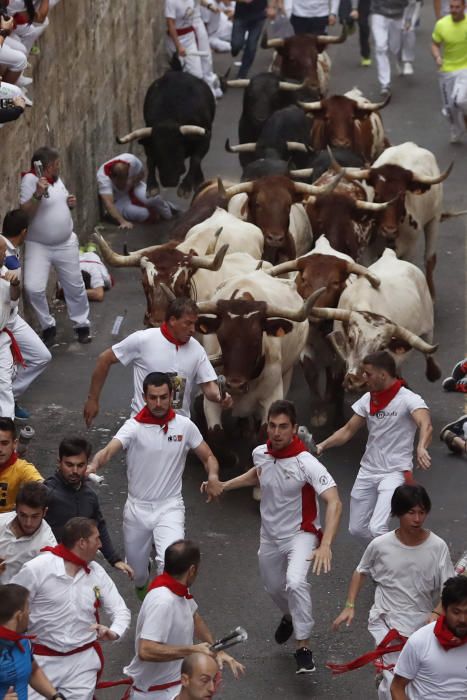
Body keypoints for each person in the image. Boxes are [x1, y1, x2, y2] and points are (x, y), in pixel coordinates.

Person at [210, 399, 342, 674]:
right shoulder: (261, 453)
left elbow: (335, 501)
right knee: (273, 587)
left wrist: (326, 544)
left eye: (283, 427)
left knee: (294, 583)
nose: (277, 432)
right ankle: (289, 616)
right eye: (272, 426)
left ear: (294, 429)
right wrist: (224, 485)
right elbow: (256, 475)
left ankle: (303, 647)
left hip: (301, 535)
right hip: (269, 536)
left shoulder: (306, 463)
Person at [88, 372, 222, 597]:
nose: (158, 403)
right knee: (138, 573)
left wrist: (214, 477)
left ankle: (163, 611)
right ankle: (143, 581)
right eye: (153, 397)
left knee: (172, 565)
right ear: (144, 397)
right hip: (137, 509)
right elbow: (109, 450)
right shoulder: (133, 427)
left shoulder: (184, 426)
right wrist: (93, 465)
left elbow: (208, 456)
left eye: (163, 397)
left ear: (172, 396)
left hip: (170, 507)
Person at [331, 484, 454, 699]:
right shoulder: (380, 545)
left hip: (422, 626)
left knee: (416, 681)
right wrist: (349, 605)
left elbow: (450, 590)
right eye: (411, 512)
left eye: (422, 512)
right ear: (398, 513)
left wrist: (436, 613)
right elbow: (361, 571)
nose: (417, 519)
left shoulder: (438, 547)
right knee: (394, 684)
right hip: (386, 623)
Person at [316, 350, 432, 542]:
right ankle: (395, 551)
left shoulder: (409, 399)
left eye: (368, 374)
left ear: (383, 375)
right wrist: (322, 445)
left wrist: (421, 447)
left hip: (394, 472)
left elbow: (425, 424)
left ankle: (391, 566)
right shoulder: (368, 399)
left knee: (378, 527)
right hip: (368, 471)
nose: (363, 378)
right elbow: (347, 431)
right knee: (357, 529)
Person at [11, 517, 131, 700]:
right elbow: (9, 606)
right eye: (97, 539)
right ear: (82, 543)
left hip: (83, 663)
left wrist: (114, 632)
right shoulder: (38, 568)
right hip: (41, 661)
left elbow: (120, 611)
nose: (101, 544)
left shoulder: (97, 572)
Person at [123, 539, 245, 698]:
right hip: (154, 693)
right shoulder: (162, 601)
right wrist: (192, 649)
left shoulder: (179, 591)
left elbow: (194, 618)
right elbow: (145, 650)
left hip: (174, 687)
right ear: (192, 570)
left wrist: (216, 649)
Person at [83, 297, 232, 426]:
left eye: (195, 323)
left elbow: (208, 386)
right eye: (188, 323)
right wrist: (93, 399)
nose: (193, 329)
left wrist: (220, 397)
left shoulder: (196, 349)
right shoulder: (143, 339)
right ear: (172, 320)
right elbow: (105, 359)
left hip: (178, 430)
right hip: (143, 425)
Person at [20, 146, 91, 345]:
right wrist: (38, 194)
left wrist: (69, 203)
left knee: (75, 286)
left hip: (65, 242)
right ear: (47, 166)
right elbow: (25, 212)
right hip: (39, 245)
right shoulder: (29, 181)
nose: (59, 167)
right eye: (57, 164)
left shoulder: (56, 180)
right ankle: (47, 326)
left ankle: (82, 325)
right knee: (33, 287)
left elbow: (60, 202)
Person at [44, 436, 133, 578]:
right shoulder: (47, 492)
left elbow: (99, 526)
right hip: (51, 570)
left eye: (80, 465)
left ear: (87, 465)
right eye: (69, 464)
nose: (75, 470)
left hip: (81, 568)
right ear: (59, 462)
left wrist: (114, 559)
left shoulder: (90, 496)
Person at [2, 209, 52, 420]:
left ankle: (11, 399)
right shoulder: (4, 250)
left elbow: (13, 295)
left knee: (41, 356)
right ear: (24, 232)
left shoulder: (11, 249)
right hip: (4, 321)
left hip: (10, 317)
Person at [390, 575, 467, 699]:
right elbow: (397, 688)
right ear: (444, 610)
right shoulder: (420, 641)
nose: (463, 619)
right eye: (456, 612)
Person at [0, 583, 66, 700]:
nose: (30, 612)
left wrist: (54, 696)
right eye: (27, 608)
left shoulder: (23, 640)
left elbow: (33, 671)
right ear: (19, 616)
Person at [96, 154, 174, 229]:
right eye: (120, 181)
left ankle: (169, 214)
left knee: (153, 198)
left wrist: (132, 181)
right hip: (119, 198)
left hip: (134, 186)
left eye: (125, 178)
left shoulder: (131, 160)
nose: (123, 183)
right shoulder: (103, 178)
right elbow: (108, 203)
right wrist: (123, 222)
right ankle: (154, 214)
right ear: (112, 178)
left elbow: (142, 174)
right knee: (144, 214)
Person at [0, 481, 56, 584]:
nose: (28, 523)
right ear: (15, 509)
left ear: (45, 512)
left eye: (34, 516)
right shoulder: (1, 521)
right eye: (23, 515)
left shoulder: (47, 547)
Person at [432, 0, 467, 143]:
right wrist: (437, 56)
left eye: (457, 7)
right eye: (451, 7)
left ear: (464, 7)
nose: (454, 10)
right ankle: (456, 129)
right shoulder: (442, 24)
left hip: (465, 68)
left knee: (460, 100)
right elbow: (435, 44)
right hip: (447, 71)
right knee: (449, 108)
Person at [0, 235, 23, 419]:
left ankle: (7, 427)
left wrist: (15, 283)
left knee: (4, 385)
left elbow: (14, 298)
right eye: (1, 251)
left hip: (1, 339)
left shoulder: (6, 272)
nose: (4, 254)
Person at [0, 417, 42, 514]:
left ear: (14, 444)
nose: (0, 449)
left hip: (6, 523)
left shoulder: (22, 468)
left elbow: (42, 486)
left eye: (4, 443)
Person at [369, 0, 411, 96]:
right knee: (380, 47)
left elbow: (411, 3)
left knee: (395, 47)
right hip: (378, 13)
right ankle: (385, 84)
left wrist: (408, 18)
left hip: (397, 15)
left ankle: (398, 58)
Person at [166, 0, 203, 79]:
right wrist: (178, 46)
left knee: (197, 74)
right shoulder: (171, 1)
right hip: (176, 40)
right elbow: (170, 24)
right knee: (179, 74)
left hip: (190, 38)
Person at [231, 0, 267, 78]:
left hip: (259, 16)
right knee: (236, 44)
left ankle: (242, 74)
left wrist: (272, 7)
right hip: (241, 15)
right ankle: (235, 49)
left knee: (251, 46)